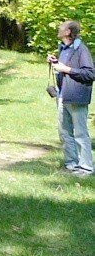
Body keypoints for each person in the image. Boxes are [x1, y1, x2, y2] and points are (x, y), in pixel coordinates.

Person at [48, 20, 94, 176]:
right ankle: (71, 165)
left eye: (62, 27)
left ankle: (86, 168)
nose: (59, 29)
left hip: (77, 97)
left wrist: (65, 68)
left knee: (80, 133)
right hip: (63, 96)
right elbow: (66, 70)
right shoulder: (64, 49)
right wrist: (56, 63)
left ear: (68, 32)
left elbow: (90, 73)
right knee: (65, 132)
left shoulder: (81, 49)